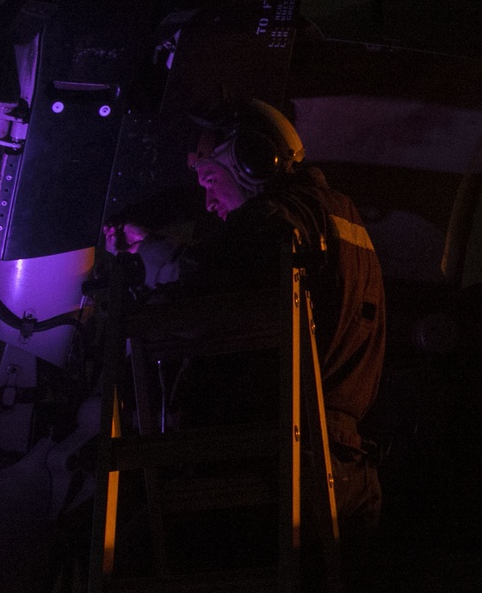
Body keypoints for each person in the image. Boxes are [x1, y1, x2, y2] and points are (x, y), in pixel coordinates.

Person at [104, 97, 385, 533]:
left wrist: (146, 255)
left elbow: (198, 299)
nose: (209, 200)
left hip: (280, 469)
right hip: (340, 469)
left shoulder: (275, 219)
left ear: (254, 161)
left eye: (210, 178)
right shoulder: (339, 216)